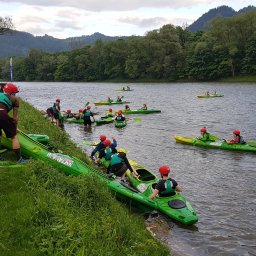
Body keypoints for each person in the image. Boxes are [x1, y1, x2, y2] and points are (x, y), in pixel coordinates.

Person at [0, 83, 26, 163]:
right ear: (12, 93)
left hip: (2, 114)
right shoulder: (16, 101)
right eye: (14, 94)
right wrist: (14, 129)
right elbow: (15, 117)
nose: (15, 96)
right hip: (2, 113)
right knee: (14, 137)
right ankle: (19, 159)